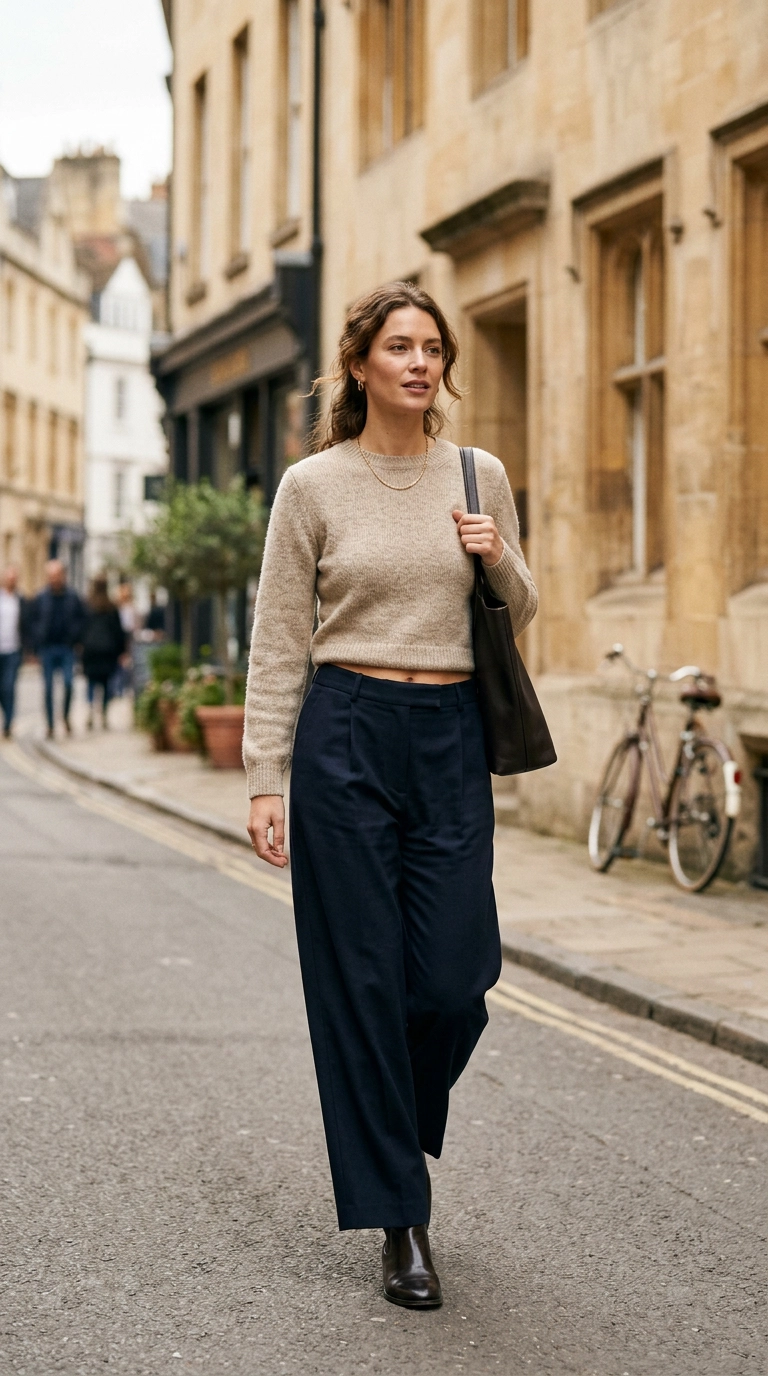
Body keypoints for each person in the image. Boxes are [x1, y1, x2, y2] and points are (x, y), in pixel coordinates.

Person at [244, 282, 538, 1309]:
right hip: (346, 735)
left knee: (456, 975)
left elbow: (525, 604)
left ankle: (387, 1116)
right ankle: (400, 1218)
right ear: (361, 364)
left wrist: (494, 554)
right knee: (359, 978)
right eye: (399, 346)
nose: (420, 362)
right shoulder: (312, 485)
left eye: (433, 348)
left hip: (450, 734)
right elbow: (280, 636)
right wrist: (263, 777)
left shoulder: (478, 474)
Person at [30, 560, 86, 739]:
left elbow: (82, 618)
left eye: (57, 575)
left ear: (63, 575)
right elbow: (33, 621)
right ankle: (50, 725)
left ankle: (66, 717)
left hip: (67, 647)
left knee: (69, 684)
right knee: (48, 688)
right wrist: (36, 642)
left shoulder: (72, 596)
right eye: (51, 576)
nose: (54, 579)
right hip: (47, 648)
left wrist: (76, 637)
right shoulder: (41, 597)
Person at [81, 578, 126, 729]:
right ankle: (104, 714)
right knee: (106, 685)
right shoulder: (111, 607)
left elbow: (81, 629)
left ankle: (90, 710)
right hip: (107, 651)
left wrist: (81, 646)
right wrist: (121, 651)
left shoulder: (87, 605)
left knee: (91, 683)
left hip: (91, 651)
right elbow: (118, 631)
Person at [0, 566, 29, 739]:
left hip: (13, 650)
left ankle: (8, 722)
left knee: (9, 686)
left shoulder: (21, 600)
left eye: (14, 578)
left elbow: (28, 626)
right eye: (8, 578)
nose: (11, 581)